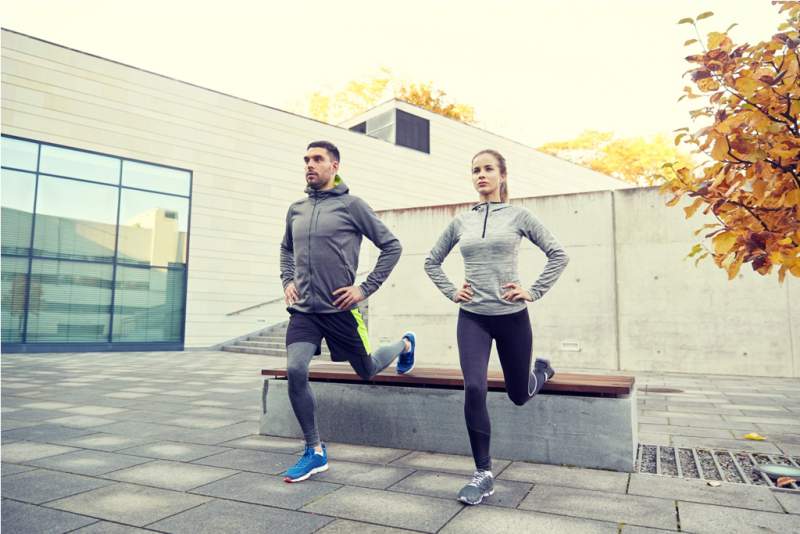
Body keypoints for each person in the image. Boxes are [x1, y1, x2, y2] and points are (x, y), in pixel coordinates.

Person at [424, 149, 569, 505]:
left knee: (518, 395)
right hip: (473, 317)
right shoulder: (461, 221)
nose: (481, 175)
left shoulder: (520, 216)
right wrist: (452, 291)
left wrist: (532, 291)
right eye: (475, 170)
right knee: (474, 387)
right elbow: (431, 262)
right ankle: (483, 474)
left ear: (502, 175)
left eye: (488, 169)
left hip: (512, 318)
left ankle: (541, 373)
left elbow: (558, 254)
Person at [279, 140, 416, 483]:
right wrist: (286, 281)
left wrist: (364, 289)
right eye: (306, 159)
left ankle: (404, 344)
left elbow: (392, 246)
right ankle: (314, 450)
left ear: (335, 166)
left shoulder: (352, 206)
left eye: (317, 159)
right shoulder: (296, 209)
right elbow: (285, 249)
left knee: (368, 370)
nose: (309, 165)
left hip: (341, 309)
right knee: (296, 369)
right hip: (304, 311)